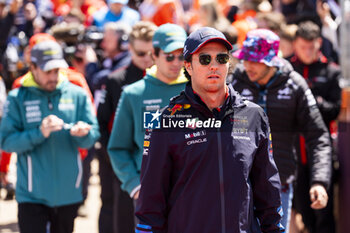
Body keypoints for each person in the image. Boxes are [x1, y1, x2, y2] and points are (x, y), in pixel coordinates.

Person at [135, 27, 283, 233]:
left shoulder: (254, 115)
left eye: (221, 58)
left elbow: (267, 189)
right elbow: (151, 198)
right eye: (205, 59)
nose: (214, 66)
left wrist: (275, 229)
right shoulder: (164, 121)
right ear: (188, 66)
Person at [229, 28, 332, 233]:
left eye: (255, 60)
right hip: (238, 183)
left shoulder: (295, 84)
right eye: (245, 59)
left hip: (279, 183)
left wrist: (319, 181)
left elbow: (318, 135)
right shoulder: (234, 82)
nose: (248, 65)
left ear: (271, 60)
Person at [0, 40, 100, 233]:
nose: (54, 77)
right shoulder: (17, 97)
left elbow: (93, 135)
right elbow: (6, 142)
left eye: (57, 70)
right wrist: (39, 133)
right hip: (31, 195)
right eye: (48, 71)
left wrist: (83, 134)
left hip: (69, 194)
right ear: (33, 68)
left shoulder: (77, 94)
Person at [107, 23, 187, 206]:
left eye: (181, 56)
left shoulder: (198, 91)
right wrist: (134, 185)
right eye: (169, 57)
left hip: (192, 196)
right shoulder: (134, 94)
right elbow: (118, 148)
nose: (176, 63)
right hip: (151, 198)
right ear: (154, 55)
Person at [96, 21, 157, 233]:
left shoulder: (170, 80)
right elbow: (101, 123)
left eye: (153, 52)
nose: (148, 58)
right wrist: (113, 158)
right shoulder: (115, 80)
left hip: (155, 162)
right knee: (116, 213)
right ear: (129, 49)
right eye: (141, 53)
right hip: (121, 163)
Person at [289, 20, 341, 233]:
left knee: (324, 211)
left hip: (319, 149)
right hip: (292, 151)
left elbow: (335, 110)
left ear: (319, 43)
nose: (307, 51)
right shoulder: (286, 68)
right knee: (302, 207)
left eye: (312, 47)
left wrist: (315, 102)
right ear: (295, 45)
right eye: (303, 47)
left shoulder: (331, 71)